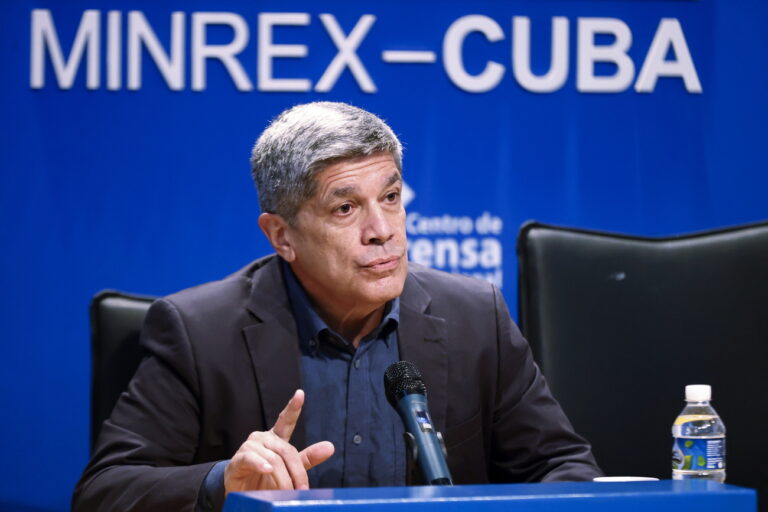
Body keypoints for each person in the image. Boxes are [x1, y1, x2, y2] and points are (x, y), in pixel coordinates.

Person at [72, 102, 601, 512]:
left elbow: (564, 468)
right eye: (346, 208)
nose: (382, 230)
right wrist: (222, 481)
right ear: (281, 236)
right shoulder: (200, 333)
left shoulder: (473, 317)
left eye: (391, 198)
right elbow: (104, 491)